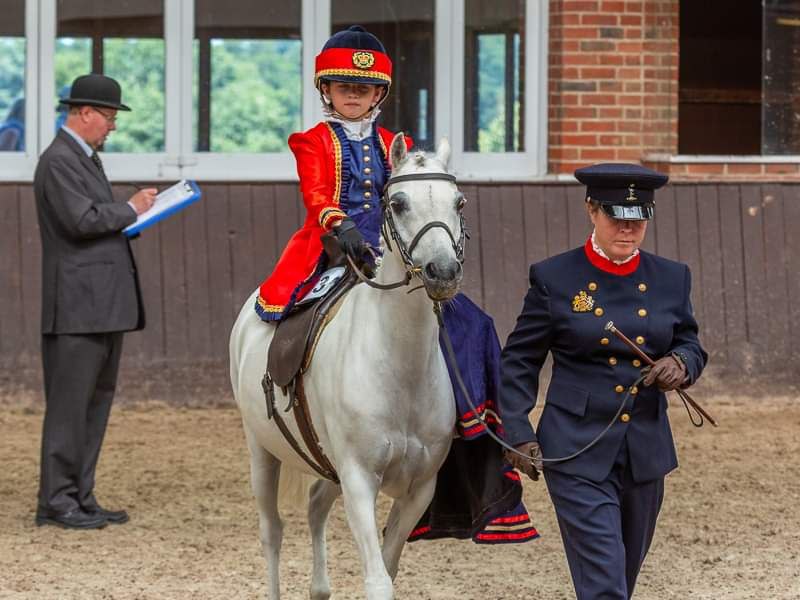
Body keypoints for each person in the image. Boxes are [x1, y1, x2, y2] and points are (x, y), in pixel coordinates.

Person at [255, 25, 538, 544]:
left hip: (395, 249)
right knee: (297, 316)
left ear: (379, 93)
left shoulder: (394, 146)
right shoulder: (312, 141)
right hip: (333, 246)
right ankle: (292, 396)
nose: (354, 95)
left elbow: (417, 198)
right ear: (328, 91)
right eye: (344, 87)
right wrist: (341, 229)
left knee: (474, 321)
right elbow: (318, 195)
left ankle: (485, 425)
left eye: (363, 89)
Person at [499, 163, 708, 599]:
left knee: (622, 578)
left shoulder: (672, 277)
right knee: (604, 584)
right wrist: (517, 431)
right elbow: (519, 360)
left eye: (638, 221)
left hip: (645, 448)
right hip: (575, 447)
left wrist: (681, 362)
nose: (628, 230)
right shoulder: (554, 278)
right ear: (591, 210)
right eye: (617, 218)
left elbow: (690, 341)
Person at [33, 73, 157, 530]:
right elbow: (80, 220)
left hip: (99, 304)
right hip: (77, 307)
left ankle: (80, 495)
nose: (111, 127)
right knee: (70, 407)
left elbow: (93, 221)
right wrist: (132, 209)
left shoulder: (82, 158)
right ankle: (57, 500)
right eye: (108, 118)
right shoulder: (59, 161)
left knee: (93, 404)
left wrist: (131, 214)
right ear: (83, 113)